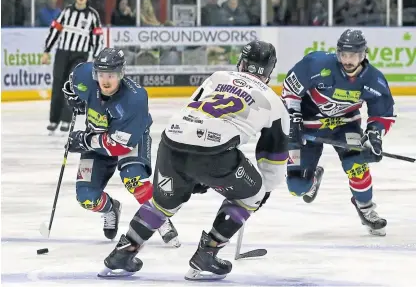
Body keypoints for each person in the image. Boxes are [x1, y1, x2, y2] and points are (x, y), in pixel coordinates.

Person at [98, 41, 290, 280]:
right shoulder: (274, 102)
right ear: (270, 70)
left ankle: (122, 253)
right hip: (214, 153)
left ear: (241, 63)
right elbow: (273, 166)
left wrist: (192, 175)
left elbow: (194, 111)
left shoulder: (218, 77)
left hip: (171, 142)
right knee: (252, 194)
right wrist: (261, 192)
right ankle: (207, 254)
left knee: (163, 203)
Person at [281, 29, 395, 236]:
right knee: (297, 187)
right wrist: (294, 121)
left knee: (357, 164)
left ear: (363, 55)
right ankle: (313, 178)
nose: (348, 60)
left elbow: (383, 114)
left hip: (345, 125)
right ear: (338, 53)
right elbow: (290, 90)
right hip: (308, 126)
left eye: (353, 55)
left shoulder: (374, 80)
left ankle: (366, 209)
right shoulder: (316, 64)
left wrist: (374, 137)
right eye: (344, 54)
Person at [62, 48, 180, 246]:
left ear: (121, 74)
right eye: (101, 74)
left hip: (129, 140)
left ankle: (160, 219)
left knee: (134, 180)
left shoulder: (135, 99)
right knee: (86, 198)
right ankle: (111, 209)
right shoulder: (83, 75)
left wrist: (84, 140)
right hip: (96, 136)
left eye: (111, 75)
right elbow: (71, 83)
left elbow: (119, 146)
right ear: (94, 74)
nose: (106, 80)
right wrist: (72, 96)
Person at [42, 0, 103, 134]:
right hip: (62, 52)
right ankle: (53, 120)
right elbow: (54, 31)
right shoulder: (66, 12)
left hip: (80, 55)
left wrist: (96, 56)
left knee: (71, 85)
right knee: (57, 84)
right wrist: (47, 50)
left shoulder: (93, 15)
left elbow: (97, 37)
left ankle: (66, 119)